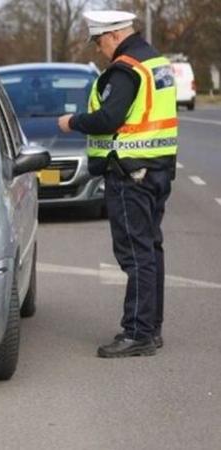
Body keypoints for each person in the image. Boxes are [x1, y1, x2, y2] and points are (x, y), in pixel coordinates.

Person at [58, 11, 177, 358]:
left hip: (129, 173)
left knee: (136, 254)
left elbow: (109, 118)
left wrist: (72, 121)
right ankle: (151, 328)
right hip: (156, 169)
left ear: (112, 35)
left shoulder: (125, 69)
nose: (98, 50)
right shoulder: (155, 61)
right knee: (151, 250)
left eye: (98, 42)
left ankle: (137, 333)